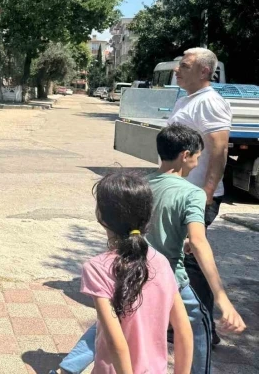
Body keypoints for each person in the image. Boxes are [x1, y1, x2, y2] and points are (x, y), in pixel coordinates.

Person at [55, 125, 246, 374]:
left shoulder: (140, 186)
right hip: (164, 272)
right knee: (197, 325)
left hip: (125, 266)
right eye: (198, 156)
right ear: (185, 155)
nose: (198, 162)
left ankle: (67, 367)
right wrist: (221, 297)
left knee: (115, 319)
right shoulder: (192, 194)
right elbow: (199, 241)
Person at [65, 172, 193, 374]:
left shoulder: (97, 268)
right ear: (147, 216)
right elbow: (184, 329)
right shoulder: (160, 261)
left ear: (101, 216)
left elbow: (117, 343)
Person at [168, 47, 232, 344]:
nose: (176, 70)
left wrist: (206, 193)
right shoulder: (186, 99)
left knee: (192, 259)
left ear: (204, 71)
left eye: (184, 65)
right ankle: (179, 321)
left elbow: (219, 152)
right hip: (179, 192)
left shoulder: (210, 102)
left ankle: (204, 330)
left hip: (196, 195)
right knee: (176, 257)